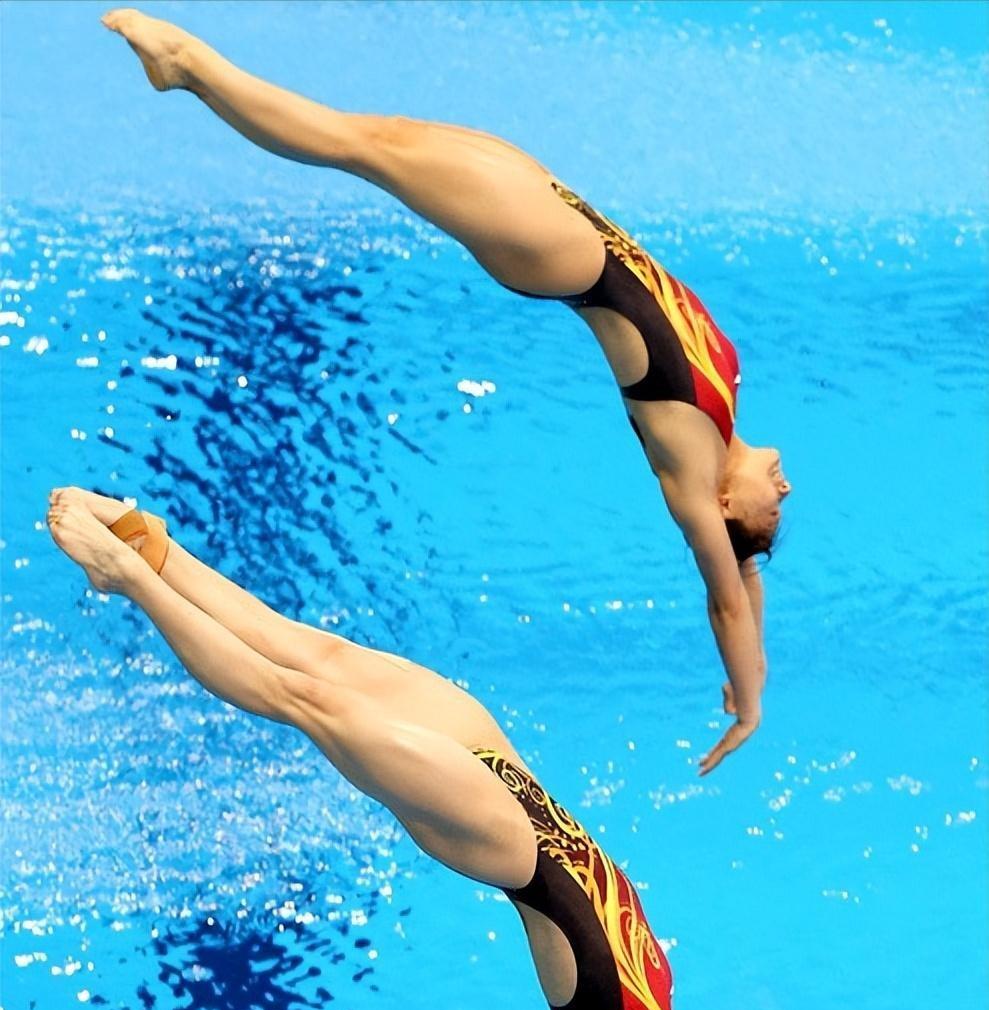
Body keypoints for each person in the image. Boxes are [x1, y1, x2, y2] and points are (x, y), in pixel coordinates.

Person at [101, 8, 793, 775]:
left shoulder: (691, 471)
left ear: (724, 507)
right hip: (565, 215)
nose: (785, 490)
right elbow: (745, 578)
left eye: (771, 512)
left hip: (555, 249)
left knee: (356, 146)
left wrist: (748, 701)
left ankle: (186, 66)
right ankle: (189, 70)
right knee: (378, 136)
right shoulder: (723, 412)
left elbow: (726, 592)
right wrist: (755, 656)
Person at [47, 486, 728, 1010]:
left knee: (303, 699)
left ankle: (127, 577)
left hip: (503, 841)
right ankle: (149, 542)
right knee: (318, 654)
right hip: (506, 769)